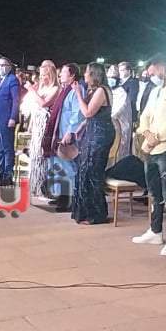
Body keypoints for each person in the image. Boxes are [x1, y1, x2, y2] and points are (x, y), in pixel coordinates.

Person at [132, 55, 166, 257]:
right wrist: (147, 133)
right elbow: (145, 115)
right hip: (150, 148)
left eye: (153, 72)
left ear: (163, 68)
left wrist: (156, 138)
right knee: (154, 192)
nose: (151, 76)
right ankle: (155, 231)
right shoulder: (156, 91)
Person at [69, 63, 116, 225]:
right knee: (85, 169)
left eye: (87, 73)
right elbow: (91, 116)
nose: (84, 76)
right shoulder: (94, 90)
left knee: (92, 171)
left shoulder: (102, 91)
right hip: (92, 131)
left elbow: (88, 112)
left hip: (100, 134)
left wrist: (78, 94)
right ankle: (84, 212)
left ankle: (97, 214)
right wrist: (81, 127)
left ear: (94, 75)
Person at [44, 63, 83, 211]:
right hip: (58, 133)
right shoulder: (64, 89)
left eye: (64, 72)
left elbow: (77, 113)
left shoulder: (76, 89)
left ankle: (69, 200)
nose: (60, 75)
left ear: (72, 75)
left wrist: (70, 132)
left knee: (67, 167)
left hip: (67, 134)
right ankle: (60, 196)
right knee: (57, 166)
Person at [26, 60, 60, 202]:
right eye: (40, 75)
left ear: (50, 75)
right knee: (34, 154)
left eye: (44, 75)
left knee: (42, 154)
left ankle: (44, 187)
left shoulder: (55, 89)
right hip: (36, 124)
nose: (41, 78)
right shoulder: (40, 88)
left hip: (45, 125)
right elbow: (33, 106)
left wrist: (32, 90)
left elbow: (44, 104)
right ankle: (35, 185)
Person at [0, 57, 21, 184]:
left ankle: (8, 174)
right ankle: (1, 172)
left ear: (9, 66)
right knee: (0, 147)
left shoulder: (12, 80)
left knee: (7, 147)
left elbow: (16, 100)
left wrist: (13, 117)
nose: (1, 67)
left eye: (4, 65)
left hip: (6, 118)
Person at [108, 64, 133, 165]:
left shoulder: (121, 93)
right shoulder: (107, 91)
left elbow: (117, 111)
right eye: (109, 77)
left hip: (120, 129)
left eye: (113, 77)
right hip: (109, 130)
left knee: (118, 157)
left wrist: (105, 116)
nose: (111, 80)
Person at [117, 62, 139, 126]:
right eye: (119, 70)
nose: (120, 72)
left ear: (128, 71)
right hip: (118, 113)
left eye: (122, 70)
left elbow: (131, 99)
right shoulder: (118, 82)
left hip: (128, 113)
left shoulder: (133, 82)